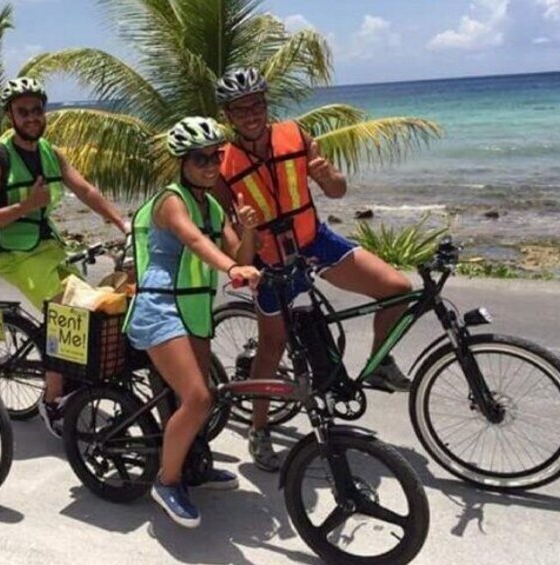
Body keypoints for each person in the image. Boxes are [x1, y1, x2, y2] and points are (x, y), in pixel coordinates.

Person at [214, 67, 414, 472]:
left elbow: (337, 190)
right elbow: (231, 240)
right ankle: (258, 428)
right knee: (272, 345)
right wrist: (247, 238)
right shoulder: (222, 164)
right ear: (229, 115)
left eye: (257, 104)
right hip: (271, 260)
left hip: (314, 240)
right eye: (241, 108)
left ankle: (381, 364)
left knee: (397, 289)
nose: (251, 113)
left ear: (266, 104)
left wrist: (327, 174)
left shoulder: (295, 135)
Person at [0, 77, 129, 437]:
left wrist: (123, 224)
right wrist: (27, 205)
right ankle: (53, 401)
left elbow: (85, 188)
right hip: (15, 255)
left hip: (49, 248)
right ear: (10, 115)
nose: (31, 117)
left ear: (44, 113)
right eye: (22, 111)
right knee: (68, 315)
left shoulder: (50, 152)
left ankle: (70, 377)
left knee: (95, 309)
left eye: (37, 110)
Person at [125, 117, 261, 528]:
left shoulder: (213, 204)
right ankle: (167, 482)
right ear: (182, 162)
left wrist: (248, 231)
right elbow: (197, 242)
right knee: (198, 398)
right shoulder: (172, 201)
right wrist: (233, 271)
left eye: (216, 156)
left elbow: (241, 257)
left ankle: (192, 466)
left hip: (194, 308)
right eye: (200, 158)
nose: (210, 164)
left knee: (202, 396)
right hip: (160, 306)